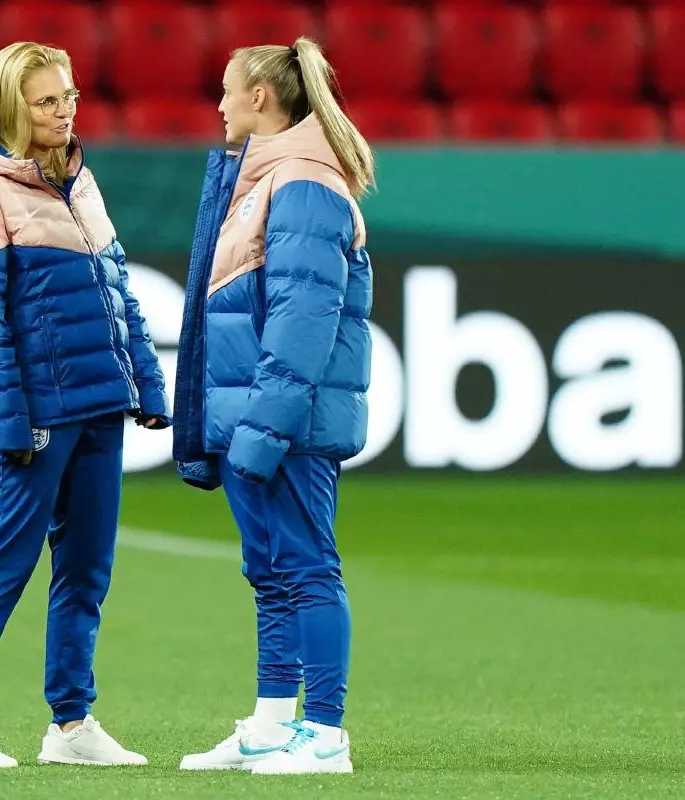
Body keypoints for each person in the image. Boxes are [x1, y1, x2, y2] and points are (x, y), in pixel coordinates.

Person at [0, 41, 170, 770]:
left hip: (97, 406)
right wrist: (5, 416)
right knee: (6, 562)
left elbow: (118, 289)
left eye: (71, 98)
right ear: (8, 107)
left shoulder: (79, 180)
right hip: (37, 413)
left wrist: (145, 384)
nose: (66, 113)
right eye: (48, 101)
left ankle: (70, 723)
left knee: (87, 569)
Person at [172, 36, 375, 776]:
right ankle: (270, 724)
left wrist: (264, 428)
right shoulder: (271, 180)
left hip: (288, 424)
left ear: (261, 97)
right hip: (258, 416)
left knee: (308, 568)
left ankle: (324, 733)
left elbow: (303, 321)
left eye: (227, 89)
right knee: (271, 571)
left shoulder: (305, 184)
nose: (220, 103)